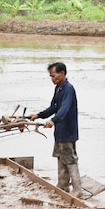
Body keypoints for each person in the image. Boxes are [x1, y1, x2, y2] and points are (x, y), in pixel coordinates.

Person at [31, 62, 82, 198]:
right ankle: (63, 186)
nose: (52, 79)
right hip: (60, 131)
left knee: (70, 160)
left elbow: (64, 109)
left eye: (53, 76)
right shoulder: (59, 88)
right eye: (50, 77)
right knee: (60, 158)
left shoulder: (68, 89)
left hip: (68, 130)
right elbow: (54, 107)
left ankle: (77, 189)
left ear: (62, 74)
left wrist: (53, 120)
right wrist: (39, 115)